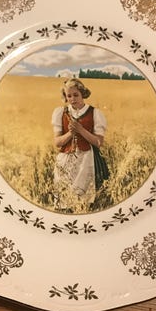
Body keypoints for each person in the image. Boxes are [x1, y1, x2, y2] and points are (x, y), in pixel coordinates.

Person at [51, 78, 108, 213]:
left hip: (87, 159)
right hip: (65, 161)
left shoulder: (95, 113)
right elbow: (57, 142)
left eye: (76, 95)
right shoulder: (60, 113)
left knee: (84, 201)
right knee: (65, 200)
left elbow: (98, 142)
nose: (72, 99)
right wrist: (71, 133)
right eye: (69, 96)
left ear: (83, 94)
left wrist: (81, 130)